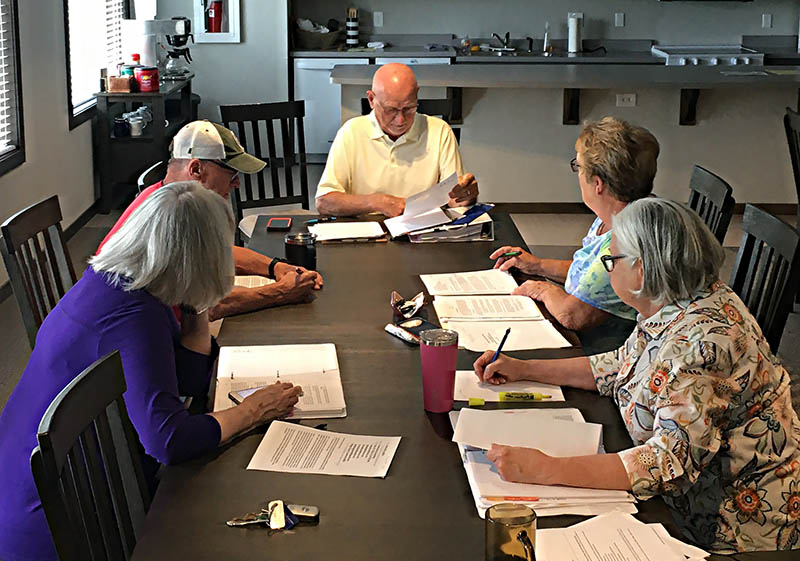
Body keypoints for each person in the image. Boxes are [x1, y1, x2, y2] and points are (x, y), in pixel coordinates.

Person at [0, 182, 304, 561]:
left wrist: (196, 304)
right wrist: (252, 411)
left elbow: (185, 382)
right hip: (53, 524)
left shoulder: (121, 283)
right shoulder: (134, 318)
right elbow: (170, 442)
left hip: (40, 486)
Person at [474, 198, 800, 559]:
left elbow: (667, 465)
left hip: (735, 539)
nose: (608, 268)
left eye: (612, 259)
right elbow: (622, 365)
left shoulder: (702, 344)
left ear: (641, 269)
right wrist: (525, 369)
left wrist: (545, 468)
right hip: (690, 509)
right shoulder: (674, 300)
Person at [97, 120, 323, 321]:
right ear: (196, 168)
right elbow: (206, 306)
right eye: (231, 174)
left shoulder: (163, 196)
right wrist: (281, 292)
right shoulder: (171, 219)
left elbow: (217, 251)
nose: (237, 184)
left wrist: (277, 267)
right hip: (132, 334)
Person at [490, 117, 659, 352]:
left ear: (598, 183)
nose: (577, 173)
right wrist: (538, 265)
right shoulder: (614, 215)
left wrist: (542, 289)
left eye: (578, 167)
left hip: (604, 348)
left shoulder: (625, 239)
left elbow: (573, 316)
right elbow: (589, 273)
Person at [315, 63, 479, 217]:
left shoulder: (439, 131)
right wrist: (376, 202)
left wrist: (466, 196)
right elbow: (324, 202)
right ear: (371, 100)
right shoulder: (352, 132)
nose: (400, 120)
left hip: (422, 228)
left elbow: (453, 200)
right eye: (390, 110)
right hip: (368, 229)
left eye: (409, 108)